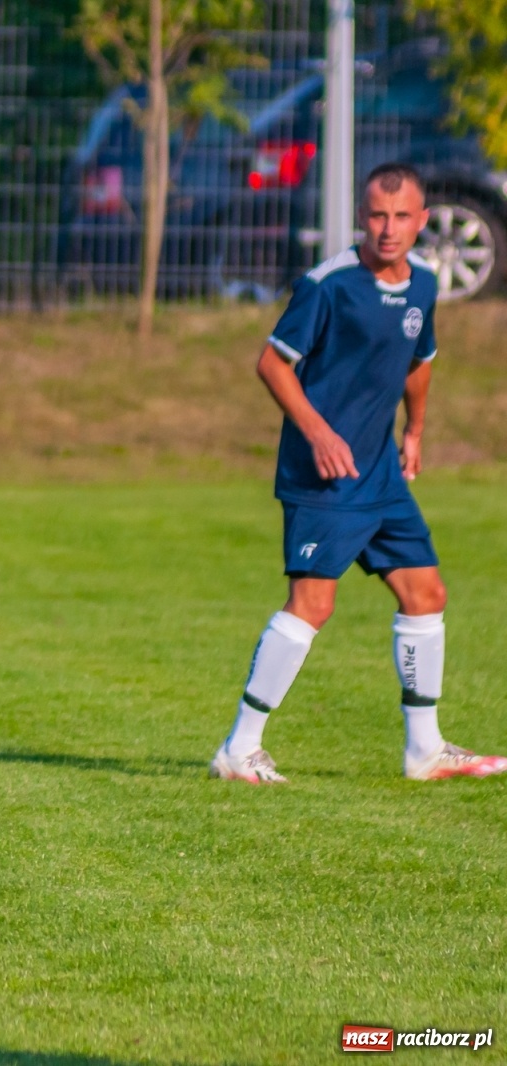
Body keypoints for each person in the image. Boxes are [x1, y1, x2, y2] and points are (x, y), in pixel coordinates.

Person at [210, 163, 505, 784]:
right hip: (324, 475)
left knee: (426, 594)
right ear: (360, 217)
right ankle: (239, 748)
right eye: (377, 215)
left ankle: (425, 751)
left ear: (423, 221)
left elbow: (420, 360)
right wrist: (318, 433)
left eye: (401, 217)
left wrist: (414, 430)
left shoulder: (424, 284)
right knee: (313, 604)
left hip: (380, 473)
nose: (388, 228)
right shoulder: (329, 285)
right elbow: (272, 364)